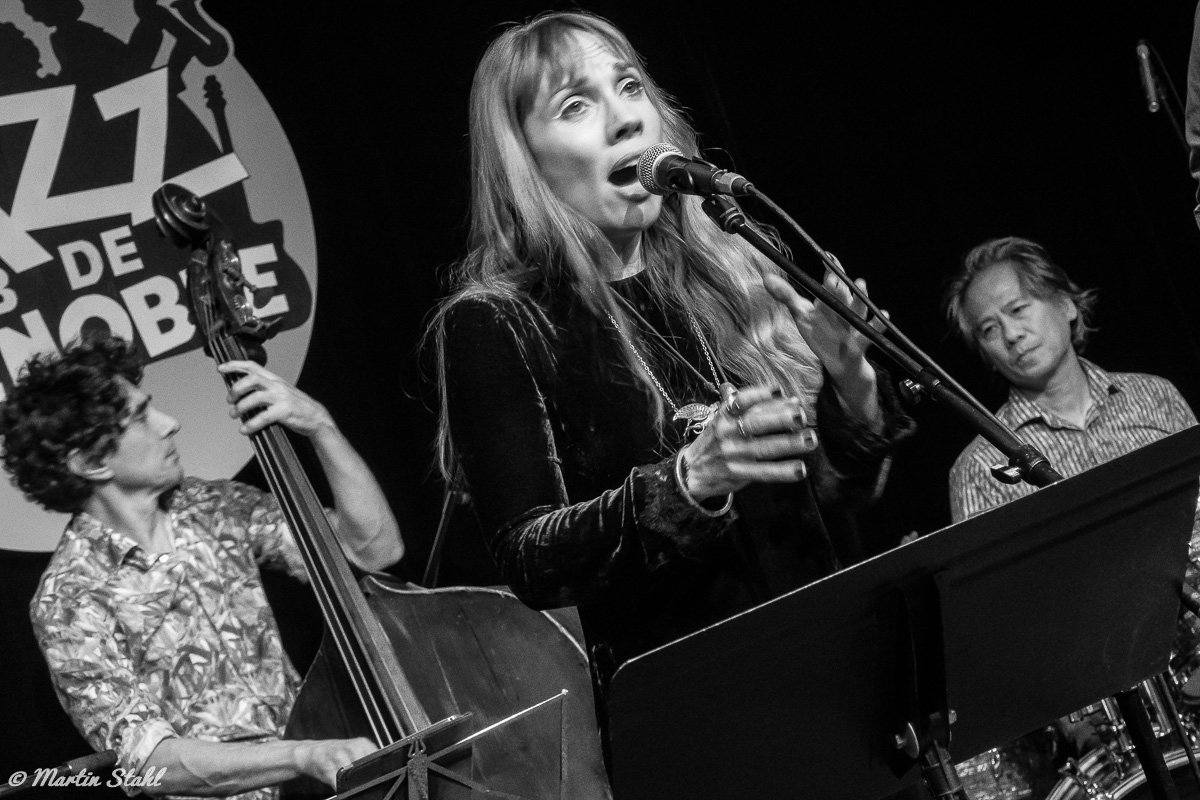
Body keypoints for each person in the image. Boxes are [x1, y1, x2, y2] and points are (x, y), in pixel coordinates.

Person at [429, 10, 914, 765]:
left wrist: (851, 387)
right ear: (524, 158)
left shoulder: (731, 268)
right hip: (700, 729)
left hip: (839, 686)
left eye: (629, 87)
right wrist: (688, 482)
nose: (625, 117)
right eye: (576, 105)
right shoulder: (500, 323)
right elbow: (529, 556)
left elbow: (830, 494)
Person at [1, 334, 404, 799]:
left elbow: (372, 550)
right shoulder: (68, 599)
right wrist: (299, 756)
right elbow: (151, 763)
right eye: (140, 417)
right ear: (90, 462)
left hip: (321, 785)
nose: (169, 423)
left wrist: (320, 427)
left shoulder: (212, 505)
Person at [943, 236, 1200, 796]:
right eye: (989, 329)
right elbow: (1009, 626)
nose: (1011, 335)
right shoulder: (981, 467)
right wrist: (1074, 717)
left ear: (1066, 304)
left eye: (1019, 309)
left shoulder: (1155, 398)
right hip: (1117, 719)